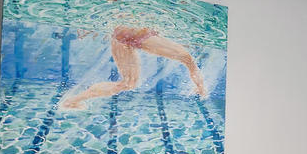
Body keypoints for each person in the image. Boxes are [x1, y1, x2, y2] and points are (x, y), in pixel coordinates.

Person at [60, 13, 207, 110]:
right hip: (135, 35)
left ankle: (72, 100)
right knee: (188, 59)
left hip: (120, 36)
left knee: (128, 83)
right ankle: (201, 90)